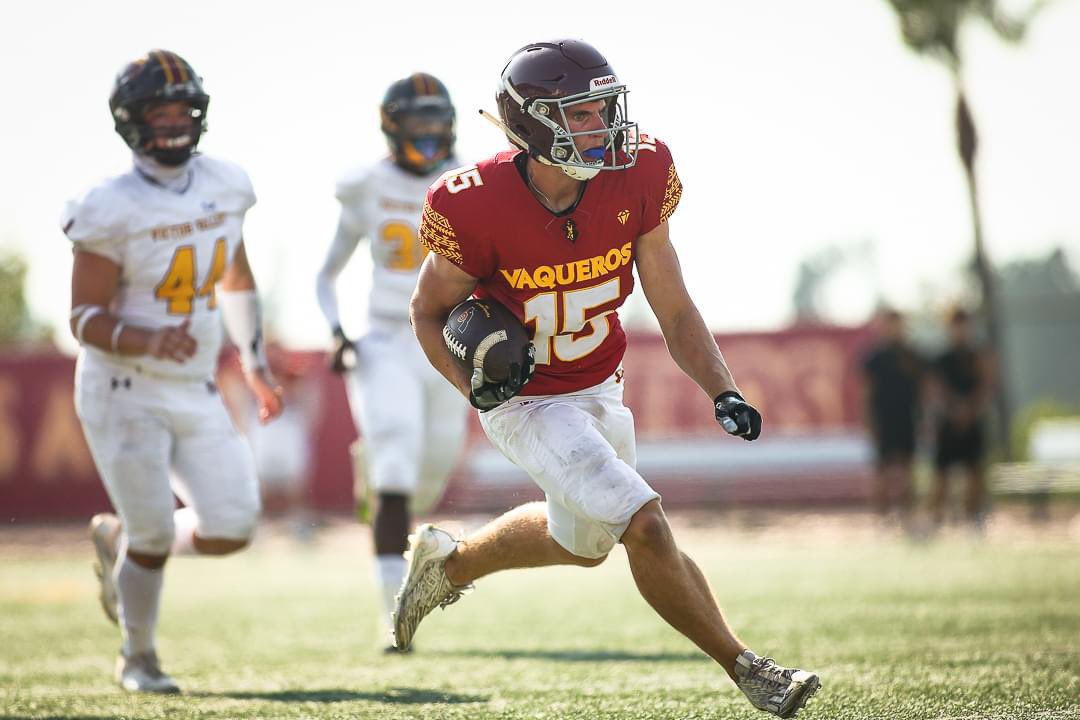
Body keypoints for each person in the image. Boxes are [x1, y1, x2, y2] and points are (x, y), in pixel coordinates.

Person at [400, 39, 821, 718]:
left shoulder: (642, 170)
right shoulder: (471, 202)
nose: (603, 127)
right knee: (643, 523)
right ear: (534, 124)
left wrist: (723, 387)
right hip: (527, 399)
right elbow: (426, 315)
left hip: (599, 386)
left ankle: (446, 569)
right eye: (583, 114)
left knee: (585, 544)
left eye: (603, 110)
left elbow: (674, 304)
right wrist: (477, 393)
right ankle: (750, 671)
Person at [62, 49, 283, 694]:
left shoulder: (225, 182)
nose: (174, 124)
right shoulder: (110, 204)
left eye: (183, 110)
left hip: (194, 385)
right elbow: (81, 317)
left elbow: (236, 277)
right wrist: (146, 338)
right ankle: (139, 659)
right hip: (122, 389)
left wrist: (255, 362)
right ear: (130, 122)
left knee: (234, 525)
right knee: (157, 529)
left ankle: (122, 541)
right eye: (158, 113)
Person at [315, 73, 469, 651]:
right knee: (400, 466)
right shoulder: (366, 185)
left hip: (446, 339)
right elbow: (326, 271)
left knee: (432, 473)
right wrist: (336, 331)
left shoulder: (469, 180)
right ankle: (393, 622)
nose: (429, 137)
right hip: (383, 335)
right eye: (418, 126)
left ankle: (374, 481)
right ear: (392, 128)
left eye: (437, 126)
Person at [928, 307, 995, 527]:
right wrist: (952, 410)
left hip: (972, 422)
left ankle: (973, 519)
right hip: (947, 424)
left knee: (975, 472)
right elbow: (935, 390)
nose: (960, 330)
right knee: (941, 475)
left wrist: (971, 410)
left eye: (964, 325)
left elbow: (987, 386)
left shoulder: (977, 356)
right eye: (956, 325)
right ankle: (936, 520)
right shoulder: (941, 359)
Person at [861, 308, 924, 520]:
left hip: (906, 418)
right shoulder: (875, 358)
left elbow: (922, 391)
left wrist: (924, 419)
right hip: (883, 419)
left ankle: (908, 515)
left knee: (908, 469)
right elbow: (866, 393)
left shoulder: (911, 356)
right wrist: (868, 421)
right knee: (882, 470)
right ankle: (882, 518)